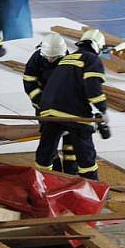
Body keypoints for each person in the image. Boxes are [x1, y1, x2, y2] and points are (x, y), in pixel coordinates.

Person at [34, 29, 109, 180]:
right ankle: (91, 187)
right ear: (97, 47)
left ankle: (42, 183)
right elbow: (93, 88)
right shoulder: (90, 59)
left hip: (48, 111)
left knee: (46, 151)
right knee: (85, 152)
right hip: (74, 112)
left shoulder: (68, 58)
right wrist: (103, 109)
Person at [23, 33, 77, 174]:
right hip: (43, 109)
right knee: (49, 144)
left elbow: (72, 88)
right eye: (48, 57)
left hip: (66, 110)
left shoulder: (69, 62)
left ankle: (72, 173)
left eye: (54, 57)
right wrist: (42, 103)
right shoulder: (37, 58)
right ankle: (54, 171)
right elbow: (29, 82)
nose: (50, 59)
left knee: (71, 144)